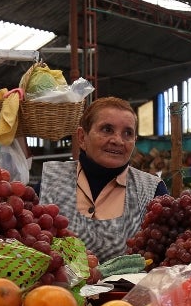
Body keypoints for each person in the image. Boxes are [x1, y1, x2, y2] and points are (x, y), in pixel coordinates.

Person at [39, 97, 168, 261]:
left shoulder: (152, 190)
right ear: (81, 137)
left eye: (127, 133)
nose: (118, 141)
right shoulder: (50, 179)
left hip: (130, 288)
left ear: (134, 141)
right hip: (56, 287)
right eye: (107, 129)